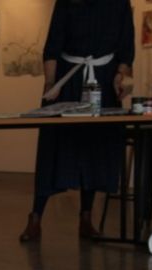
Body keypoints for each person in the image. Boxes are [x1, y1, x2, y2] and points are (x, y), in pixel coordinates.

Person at [19, 0, 135, 242]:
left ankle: (86, 217)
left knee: (94, 148)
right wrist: (51, 84)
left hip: (104, 81)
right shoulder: (66, 2)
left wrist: (121, 77)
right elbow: (52, 47)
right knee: (54, 147)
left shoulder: (121, 4)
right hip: (68, 80)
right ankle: (35, 217)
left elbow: (126, 48)